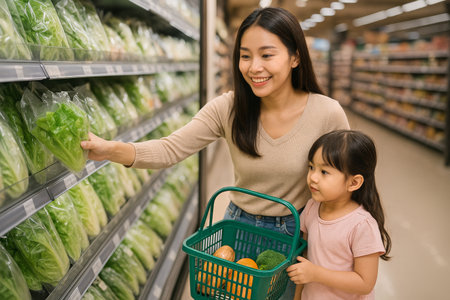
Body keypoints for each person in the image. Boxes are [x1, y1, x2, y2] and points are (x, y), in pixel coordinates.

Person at [81, 7, 349, 299]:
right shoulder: (229, 107)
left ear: (295, 57)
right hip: (236, 232)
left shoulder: (326, 113)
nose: (254, 67)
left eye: (267, 55)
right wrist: (111, 149)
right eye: (245, 56)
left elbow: (345, 185)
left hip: (294, 233)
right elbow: (171, 148)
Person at [287, 130, 392, 300]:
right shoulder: (313, 207)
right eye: (311, 167)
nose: (313, 177)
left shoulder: (362, 225)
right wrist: (298, 296)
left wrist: (316, 274)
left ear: (354, 182)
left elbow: (365, 283)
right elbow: (305, 258)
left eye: (324, 172)